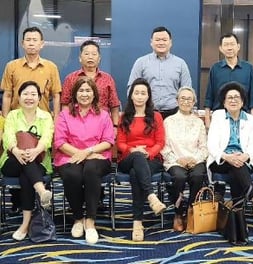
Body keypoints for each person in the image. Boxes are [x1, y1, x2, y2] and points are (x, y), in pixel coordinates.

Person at [1, 26, 61, 213]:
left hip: (42, 123)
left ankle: (42, 201)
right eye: (28, 39)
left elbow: (56, 96)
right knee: (21, 156)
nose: (32, 43)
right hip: (17, 121)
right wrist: (5, 119)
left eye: (35, 40)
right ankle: (21, 201)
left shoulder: (51, 67)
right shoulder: (12, 66)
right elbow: (8, 94)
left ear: (42, 44)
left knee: (38, 156)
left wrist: (56, 120)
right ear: (22, 43)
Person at [54, 77, 114, 244]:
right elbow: (60, 142)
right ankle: (78, 218)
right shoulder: (65, 115)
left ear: (94, 94)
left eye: (88, 91)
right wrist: (81, 154)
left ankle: (90, 221)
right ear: (75, 94)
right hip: (69, 156)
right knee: (72, 174)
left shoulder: (103, 115)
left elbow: (108, 141)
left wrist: (87, 152)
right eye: (81, 91)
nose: (85, 94)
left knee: (90, 170)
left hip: (97, 157)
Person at [207, 81, 253, 216]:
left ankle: (235, 216)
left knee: (237, 167)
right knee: (237, 166)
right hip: (220, 160)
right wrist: (227, 157)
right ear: (224, 103)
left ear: (242, 102)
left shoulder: (251, 120)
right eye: (229, 98)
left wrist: (245, 155)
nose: (233, 100)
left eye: (237, 97)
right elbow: (212, 145)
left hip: (242, 160)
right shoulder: (218, 116)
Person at [0, 81, 54, 241]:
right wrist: (16, 151)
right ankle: (42, 191)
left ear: (39, 98)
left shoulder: (46, 116)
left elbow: (47, 138)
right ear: (19, 96)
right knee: (26, 163)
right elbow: (8, 136)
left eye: (33, 94)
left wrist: (36, 150)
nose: (29, 97)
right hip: (12, 161)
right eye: (25, 94)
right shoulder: (12, 115)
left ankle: (25, 224)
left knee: (26, 175)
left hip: (40, 159)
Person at [117, 78, 166, 242]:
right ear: (131, 96)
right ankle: (151, 197)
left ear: (148, 96)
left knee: (134, 173)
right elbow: (120, 143)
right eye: (136, 93)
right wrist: (133, 150)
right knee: (136, 159)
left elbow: (160, 142)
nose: (139, 96)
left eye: (143, 93)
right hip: (127, 157)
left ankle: (137, 223)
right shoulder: (124, 116)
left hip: (151, 158)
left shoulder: (156, 116)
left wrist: (148, 153)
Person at [161, 87, 208, 232]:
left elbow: (204, 147)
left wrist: (194, 159)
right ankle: (178, 212)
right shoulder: (168, 121)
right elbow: (164, 147)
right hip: (175, 160)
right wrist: (178, 159)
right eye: (182, 98)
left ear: (194, 102)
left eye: (189, 99)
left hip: (195, 159)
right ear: (177, 100)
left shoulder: (199, 122)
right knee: (179, 177)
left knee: (198, 175)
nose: (186, 101)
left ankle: (191, 210)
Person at [127, 26, 192, 119]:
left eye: (164, 40)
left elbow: (187, 90)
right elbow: (131, 89)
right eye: (157, 40)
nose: (161, 43)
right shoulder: (141, 62)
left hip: (174, 113)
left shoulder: (181, 64)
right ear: (151, 42)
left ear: (170, 42)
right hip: (147, 113)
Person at [204, 33, 253, 129]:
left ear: (238, 46)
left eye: (232, 44)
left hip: (243, 116)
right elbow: (209, 96)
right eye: (226, 45)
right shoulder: (215, 68)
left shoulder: (248, 68)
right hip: (220, 115)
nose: (229, 48)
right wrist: (208, 120)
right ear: (221, 48)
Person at [61, 40, 120, 128]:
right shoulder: (70, 78)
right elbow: (65, 104)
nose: (90, 57)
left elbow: (114, 105)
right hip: (76, 126)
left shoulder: (108, 79)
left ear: (99, 58)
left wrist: (115, 126)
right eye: (86, 54)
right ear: (80, 58)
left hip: (102, 125)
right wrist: (66, 124)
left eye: (94, 54)